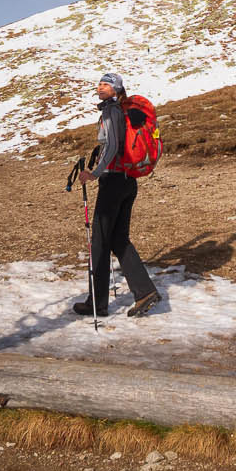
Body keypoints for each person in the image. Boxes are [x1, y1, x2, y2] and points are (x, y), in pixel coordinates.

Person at [72, 72, 160, 319]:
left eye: (106, 84)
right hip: (128, 182)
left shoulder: (112, 111)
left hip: (112, 182)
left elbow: (111, 146)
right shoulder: (123, 111)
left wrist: (95, 173)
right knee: (119, 239)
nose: (100, 87)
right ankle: (145, 292)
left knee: (99, 242)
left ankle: (97, 304)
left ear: (116, 89)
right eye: (99, 83)